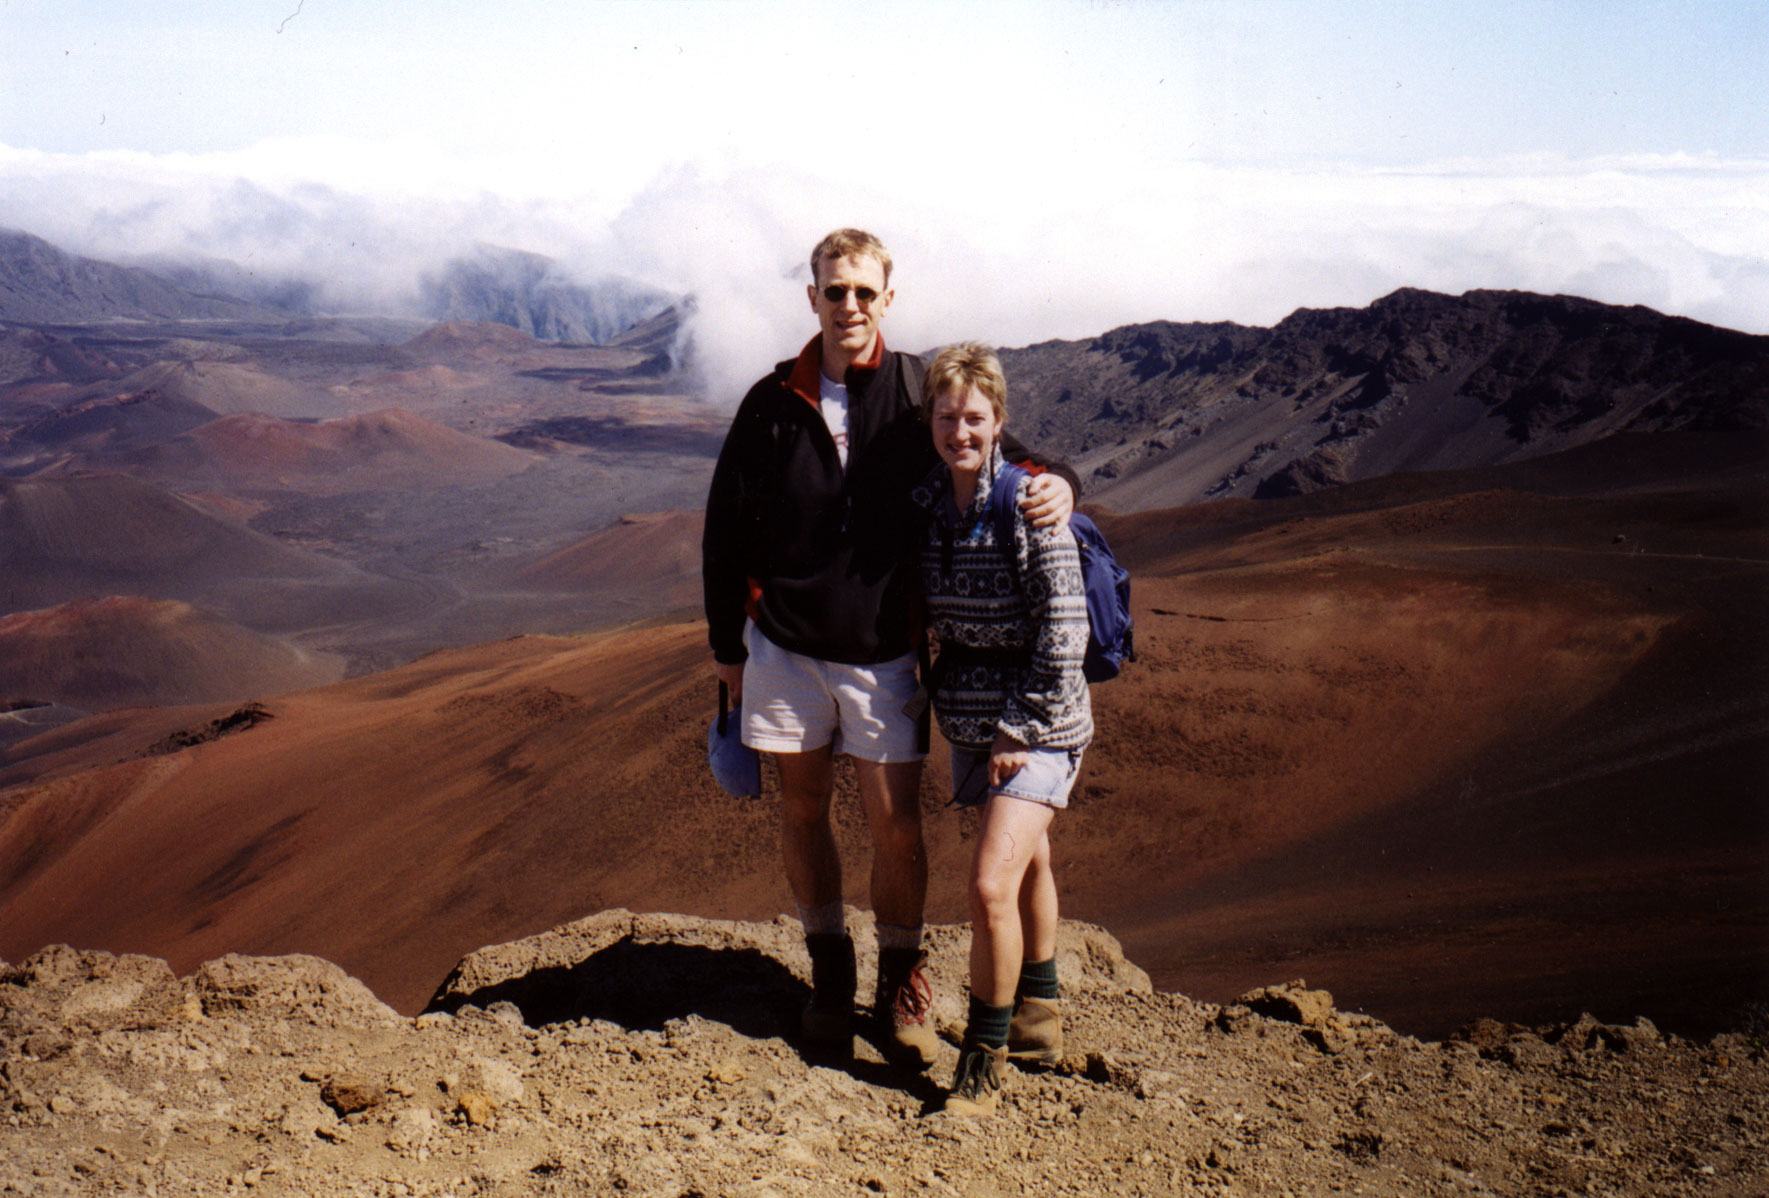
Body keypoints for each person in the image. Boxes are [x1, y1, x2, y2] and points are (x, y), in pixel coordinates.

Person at [702, 230, 1076, 1067]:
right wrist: (728, 643)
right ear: (812, 298)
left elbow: (1002, 456)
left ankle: (901, 983)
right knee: (802, 810)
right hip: (784, 646)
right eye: (835, 291)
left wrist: (1061, 483)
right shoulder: (771, 401)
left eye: (864, 292)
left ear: (887, 299)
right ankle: (831, 978)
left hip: (881, 651)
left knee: (895, 824)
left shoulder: (915, 391)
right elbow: (724, 526)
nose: (850, 306)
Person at [912, 342, 1092, 1116]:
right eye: (946, 417)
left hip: (1036, 723)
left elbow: (1064, 632)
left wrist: (1018, 729)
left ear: (999, 421)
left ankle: (982, 1060)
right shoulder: (929, 508)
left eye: (974, 418)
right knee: (1027, 858)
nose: (960, 432)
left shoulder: (1029, 507)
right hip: (972, 720)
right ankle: (1037, 1021)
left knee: (989, 884)